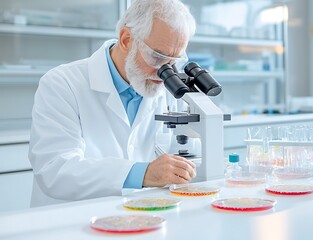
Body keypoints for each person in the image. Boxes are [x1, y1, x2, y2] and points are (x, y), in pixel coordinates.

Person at [28, 0, 199, 207]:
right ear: (126, 39)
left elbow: (185, 152)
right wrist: (143, 173)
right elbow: (55, 169)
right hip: (70, 221)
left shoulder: (167, 90)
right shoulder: (62, 83)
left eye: (173, 61)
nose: (165, 73)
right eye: (156, 57)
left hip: (143, 217)